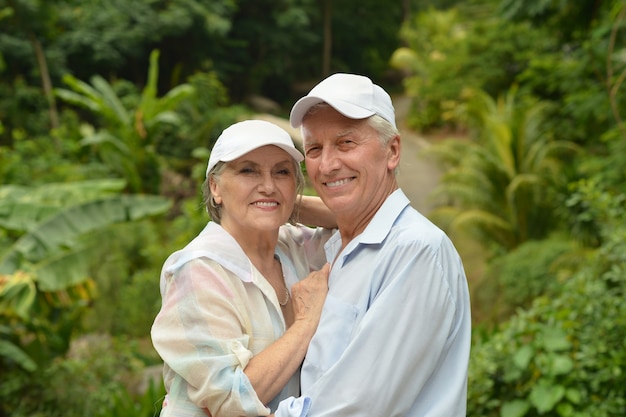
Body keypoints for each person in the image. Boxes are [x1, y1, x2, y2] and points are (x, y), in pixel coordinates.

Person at [273, 73, 472, 417]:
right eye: (315, 149)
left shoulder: (416, 251)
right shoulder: (334, 247)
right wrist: (281, 202)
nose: (328, 164)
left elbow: (355, 407)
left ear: (392, 151)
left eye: (346, 143)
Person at [151, 119, 336, 417]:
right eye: (248, 170)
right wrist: (305, 323)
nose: (267, 184)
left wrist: (279, 202)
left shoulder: (293, 247)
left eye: (282, 172)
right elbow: (229, 400)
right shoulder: (199, 269)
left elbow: (360, 216)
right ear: (215, 187)